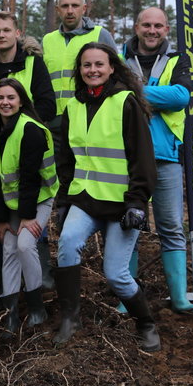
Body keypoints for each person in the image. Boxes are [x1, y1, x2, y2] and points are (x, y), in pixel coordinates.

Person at [54, 43, 160, 352]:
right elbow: (66, 160)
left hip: (121, 204)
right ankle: (70, 319)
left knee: (116, 275)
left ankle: (146, 323)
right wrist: (64, 201)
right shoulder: (72, 107)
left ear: (111, 67)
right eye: (87, 65)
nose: (93, 70)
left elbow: (143, 159)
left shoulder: (126, 103)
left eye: (99, 64)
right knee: (67, 243)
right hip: (84, 198)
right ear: (80, 70)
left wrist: (138, 202)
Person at [121, 7, 193, 313]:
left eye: (158, 25)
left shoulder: (179, 59)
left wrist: (134, 91)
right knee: (129, 226)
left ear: (166, 29)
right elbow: (109, 91)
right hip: (126, 155)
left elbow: (182, 97)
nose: (152, 30)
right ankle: (126, 298)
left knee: (171, 226)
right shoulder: (118, 55)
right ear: (137, 27)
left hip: (166, 155)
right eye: (146, 25)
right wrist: (156, 94)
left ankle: (179, 298)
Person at [0, 78, 59, 333]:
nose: (5, 102)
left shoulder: (31, 130)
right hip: (13, 202)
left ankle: (37, 308)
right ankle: (11, 311)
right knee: (8, 248)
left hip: (39, 197)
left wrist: (28, 217)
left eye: (11, 98)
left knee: (26, 244)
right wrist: (1, 219)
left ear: (20, 101)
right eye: (0, 98)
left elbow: (30, 179)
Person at [42, 0, 118, 152]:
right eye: (65, 6)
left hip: (91, 118)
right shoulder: (48, 40)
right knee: (58, 173)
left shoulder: (101, 35)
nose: (70, 11)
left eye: (75, 6)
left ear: (84, 8)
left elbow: (117, 74)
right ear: (57, 10)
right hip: (55, 123)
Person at [0, 11, 56, 122]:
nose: (1, 35)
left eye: (6, 30)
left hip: (25, 134)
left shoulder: (33, 62)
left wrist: (17, 124)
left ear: (17, 33)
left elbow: (47, 106)